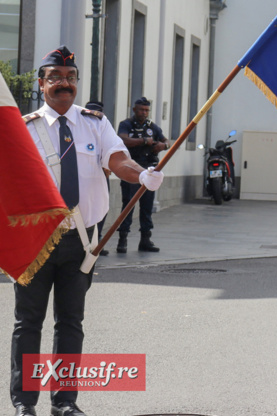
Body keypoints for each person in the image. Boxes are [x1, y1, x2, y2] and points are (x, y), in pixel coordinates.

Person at [13, 45, 164, 416]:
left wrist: (142, 175)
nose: (64, 84)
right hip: (36, 240)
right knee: (29, 321)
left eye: (70, 78)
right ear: (42, 83)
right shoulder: (24, 128)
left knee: (70, 321)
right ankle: (24, 403)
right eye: (55, 78)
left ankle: (64, 402)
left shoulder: (95, 123)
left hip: (82, 240)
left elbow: (117, 159)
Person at [116, 97, 168, 253]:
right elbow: (123, 140)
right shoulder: (126, 124)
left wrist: (162, 145)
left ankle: (145, 240)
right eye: (141, 110)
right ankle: (122, 240)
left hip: (149, 170)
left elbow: (167, 142)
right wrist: (144, 141)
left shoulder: (153, 127)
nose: (143, 113)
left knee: (146, 206)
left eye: (146, 110)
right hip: (131, 170)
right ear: (134, 110)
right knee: (129, 204)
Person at [84, 101, 109, 257]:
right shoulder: (78, 129)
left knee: (101, 209)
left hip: (101, 177)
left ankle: (97, 240)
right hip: (85, 180)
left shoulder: (104, 129)